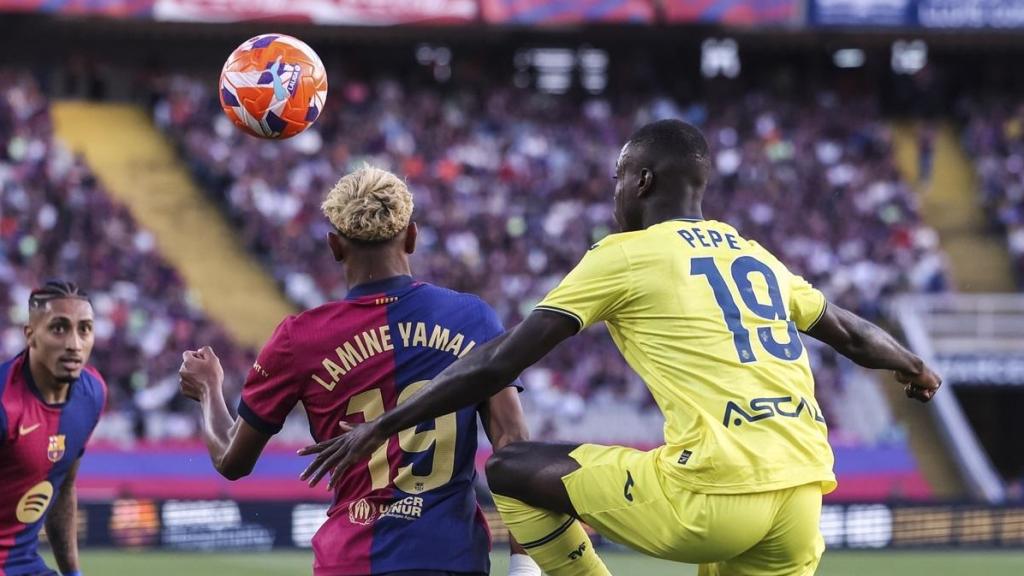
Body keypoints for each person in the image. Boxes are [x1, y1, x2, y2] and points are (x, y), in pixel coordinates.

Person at [299, 120, 943, 576]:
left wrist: (382, 424)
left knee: (512, 469)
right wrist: (914, 366)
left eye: (617, 177)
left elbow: (499, 362)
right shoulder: (754, 254)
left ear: (641, 181)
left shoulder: (625, 256)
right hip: (802, 499)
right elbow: (853, 333)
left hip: (712, 498)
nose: (612, 191)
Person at [179, 166, 558, 576]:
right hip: (450, 559)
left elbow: (232, 460)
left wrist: (209, 390)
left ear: (334, 246)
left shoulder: (298, 339)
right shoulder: (473, 319)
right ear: (411, 236)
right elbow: (513, 442)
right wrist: (524, 563)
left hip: (351, 560)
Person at [0, 281, 106, 576]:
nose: (74, 343)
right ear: (31, 335)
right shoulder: (4, 406)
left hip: (23, 565)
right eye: (59, 328)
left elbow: (63, 488)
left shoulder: (92, 394)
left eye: (84, 329)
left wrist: (73, 573)